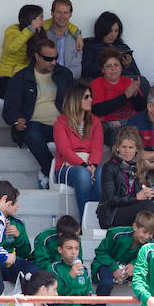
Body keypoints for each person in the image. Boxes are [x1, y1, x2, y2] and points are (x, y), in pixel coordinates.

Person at [2, 38, 74, 188]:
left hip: (62, 126)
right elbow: (9, 109)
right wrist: (17, 120)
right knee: (32, 130)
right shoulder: (21, 77)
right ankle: (54, 172)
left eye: (56, 58)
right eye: (48, 59)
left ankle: (49, 172)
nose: (54, 62)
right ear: (37, 56)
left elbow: (75, 102)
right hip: (35, 127)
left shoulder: (64, 74)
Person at [50, 234, 112, 306]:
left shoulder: (83, 269)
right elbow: (57, 293)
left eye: (76, 248)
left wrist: (91, 299)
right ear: (60, 250)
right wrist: (71, 275)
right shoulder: (54, 268)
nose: (74, 252)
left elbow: (86, 292)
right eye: (69, 248)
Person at [91, 211, 154, 306]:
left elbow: (147, 259)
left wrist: (134, 264)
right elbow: (100, 252)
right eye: (144, 232)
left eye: (150, 233)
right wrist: (114, 268)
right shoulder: (117, 234)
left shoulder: (150, 244)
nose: (147, 236)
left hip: (127, 269)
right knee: (106, 283)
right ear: (135, 227)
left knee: (151, 278)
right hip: (106, 264)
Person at [53, 83, 104, 215]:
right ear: (76, 99)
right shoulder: (61, 122)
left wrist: (92, 165)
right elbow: (64, 149)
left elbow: (97, 147)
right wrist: (83, 165)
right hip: (66, 166)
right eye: (86, 97)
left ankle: (95, 218)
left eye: (91, 97)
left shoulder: (95, 121)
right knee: (82, 175)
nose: (91, 100)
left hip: (89, 164)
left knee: (102, 174)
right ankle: (84, 219)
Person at [95, 126, 154, 229]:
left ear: (136, 149)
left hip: (133, 212)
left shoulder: (140, 166)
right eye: (124, 147)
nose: (127, 151)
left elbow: (144, 190)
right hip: (111, 215)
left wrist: (149, 194)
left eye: (130, 147)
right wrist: (136, 197)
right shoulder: (109, 167)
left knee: (148, 205)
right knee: (146, 207)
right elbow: (111, 199)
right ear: (118, 148)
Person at [90, 48, 146, 146]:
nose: (113, 69)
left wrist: (135, 95)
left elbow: (141, 107)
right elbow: (98, 110)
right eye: (108, 66)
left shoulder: (128, 81)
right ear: (102, 70)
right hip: (110, 127)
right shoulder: (96, 84)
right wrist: (125, 96)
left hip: (131, 124)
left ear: (121, 68)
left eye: (116, 65)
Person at [0, 5, 46, 98]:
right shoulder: (12, 30)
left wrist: (77, 34)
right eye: (41, 17)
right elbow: (11, 48)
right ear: (32, 19)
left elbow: (57, 21)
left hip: (22, 77)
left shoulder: (38, 31)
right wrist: (30, 29)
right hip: (6, 78)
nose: (44, 21)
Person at [0, 181, 34, 295]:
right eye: (12, 202)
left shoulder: (17, 224)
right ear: (5, 199)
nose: (17, 205)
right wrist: (6, 256)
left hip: (3, 262)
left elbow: (26, 252)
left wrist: (18, 236)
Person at [81, 11, 142, 79]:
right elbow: (85, 71)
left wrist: (127, 66)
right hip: (105, 80)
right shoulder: (90, 45)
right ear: (102, 30)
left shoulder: (123, 47)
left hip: (125, 79)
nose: (113, 35)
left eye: (116, 31)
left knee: (142, 80)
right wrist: (107, 61)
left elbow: (137, 74)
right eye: (109, 30)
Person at [45, 0, 83, 79]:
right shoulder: (44, 36)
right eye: (59, 12)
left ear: (70, 14)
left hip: (69, 81)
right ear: (52, 13)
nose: (62, 16)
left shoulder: (76, 39)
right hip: (46, 82)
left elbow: (76, 67)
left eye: (65, 12)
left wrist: (64, 79)